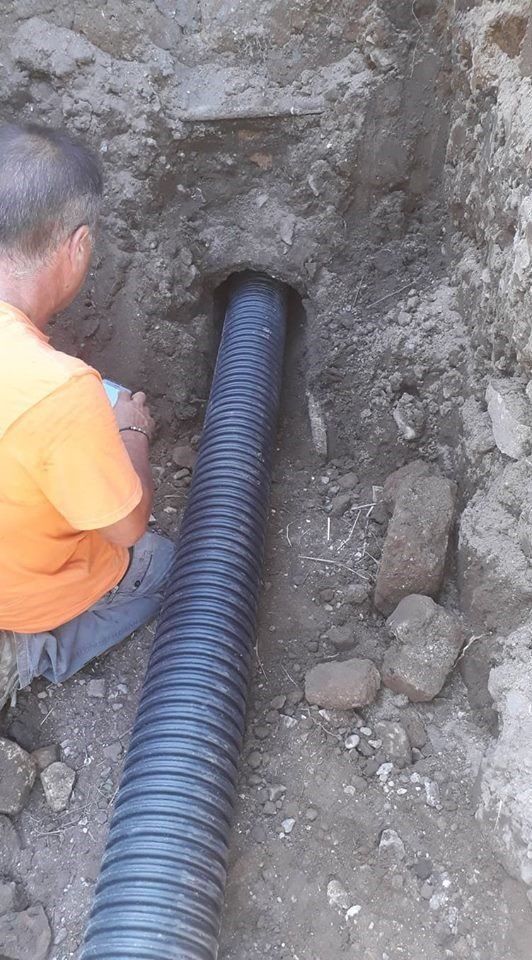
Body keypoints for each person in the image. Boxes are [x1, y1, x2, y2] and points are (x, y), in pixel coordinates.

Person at [0, 123, 176, 710]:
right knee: (169, 566)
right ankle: (29, 652)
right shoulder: (56, 388)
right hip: (18, 607)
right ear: (78, 246)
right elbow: (125, 529)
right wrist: (131, 431)